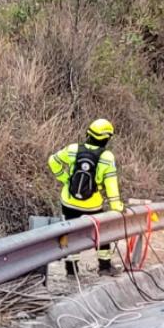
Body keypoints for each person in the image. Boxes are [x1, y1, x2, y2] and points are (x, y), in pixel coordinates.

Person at [49, 119, 124, 277]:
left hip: (68, 202)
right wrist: (116, 206)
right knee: (101, 233)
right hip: (93, 205)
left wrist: (65, 180)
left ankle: (71, 271)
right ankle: (104, 267)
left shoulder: (73, 149)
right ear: (106, 138)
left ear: (88, 133)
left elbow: (53, 161)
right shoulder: (107, 157)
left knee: (69, 233)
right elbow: (111, 184)